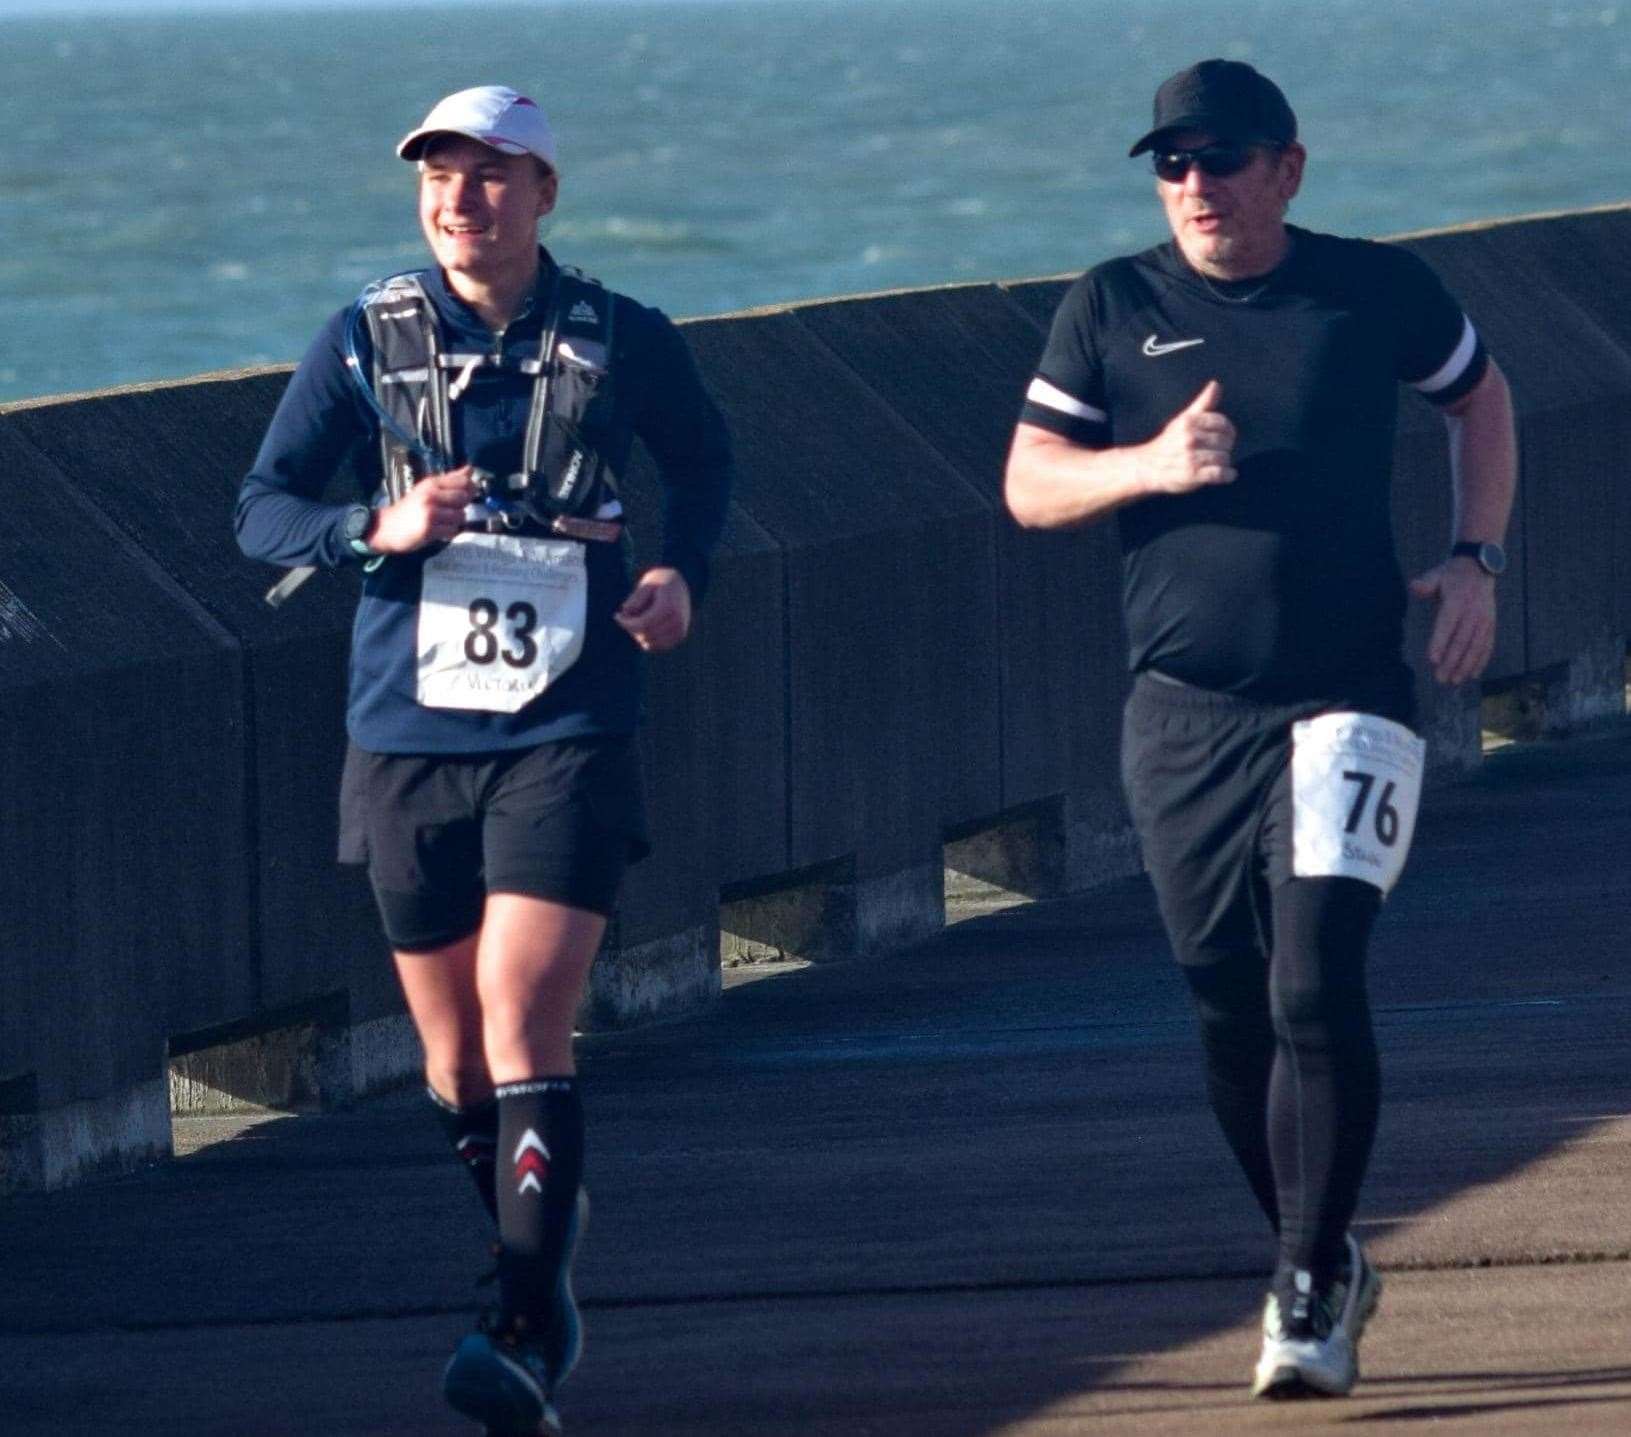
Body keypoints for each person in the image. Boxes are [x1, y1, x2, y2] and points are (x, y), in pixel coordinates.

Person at [1004, 60, 1515, 1400]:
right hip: (1181, 716)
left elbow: (1481, 397)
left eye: (1224, 158)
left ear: (1289, 168)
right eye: (1172, 163)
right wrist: (1150, 465)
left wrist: (1478, 558)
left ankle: (1300, 1289)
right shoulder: (1112, 305)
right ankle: (1329, 1249)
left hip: (1348, 693)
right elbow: (1030, 482)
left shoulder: (1375, 289)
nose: (1197, 186)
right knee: (1229, 1003)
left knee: (1314, 975)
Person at [236, 85, 733, 1435]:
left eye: (495, 175)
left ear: (545, 195)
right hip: (405, 731)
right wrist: (372, 530)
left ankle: (516, 1326)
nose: (464, 200)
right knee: (453, 1062)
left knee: (524, 1016)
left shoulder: (624, 338)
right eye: (441, 176)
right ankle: (542, 1244)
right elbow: (261, 509)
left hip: (569, 724)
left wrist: (681, 571)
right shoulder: (361, 343)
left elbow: (705, 460)